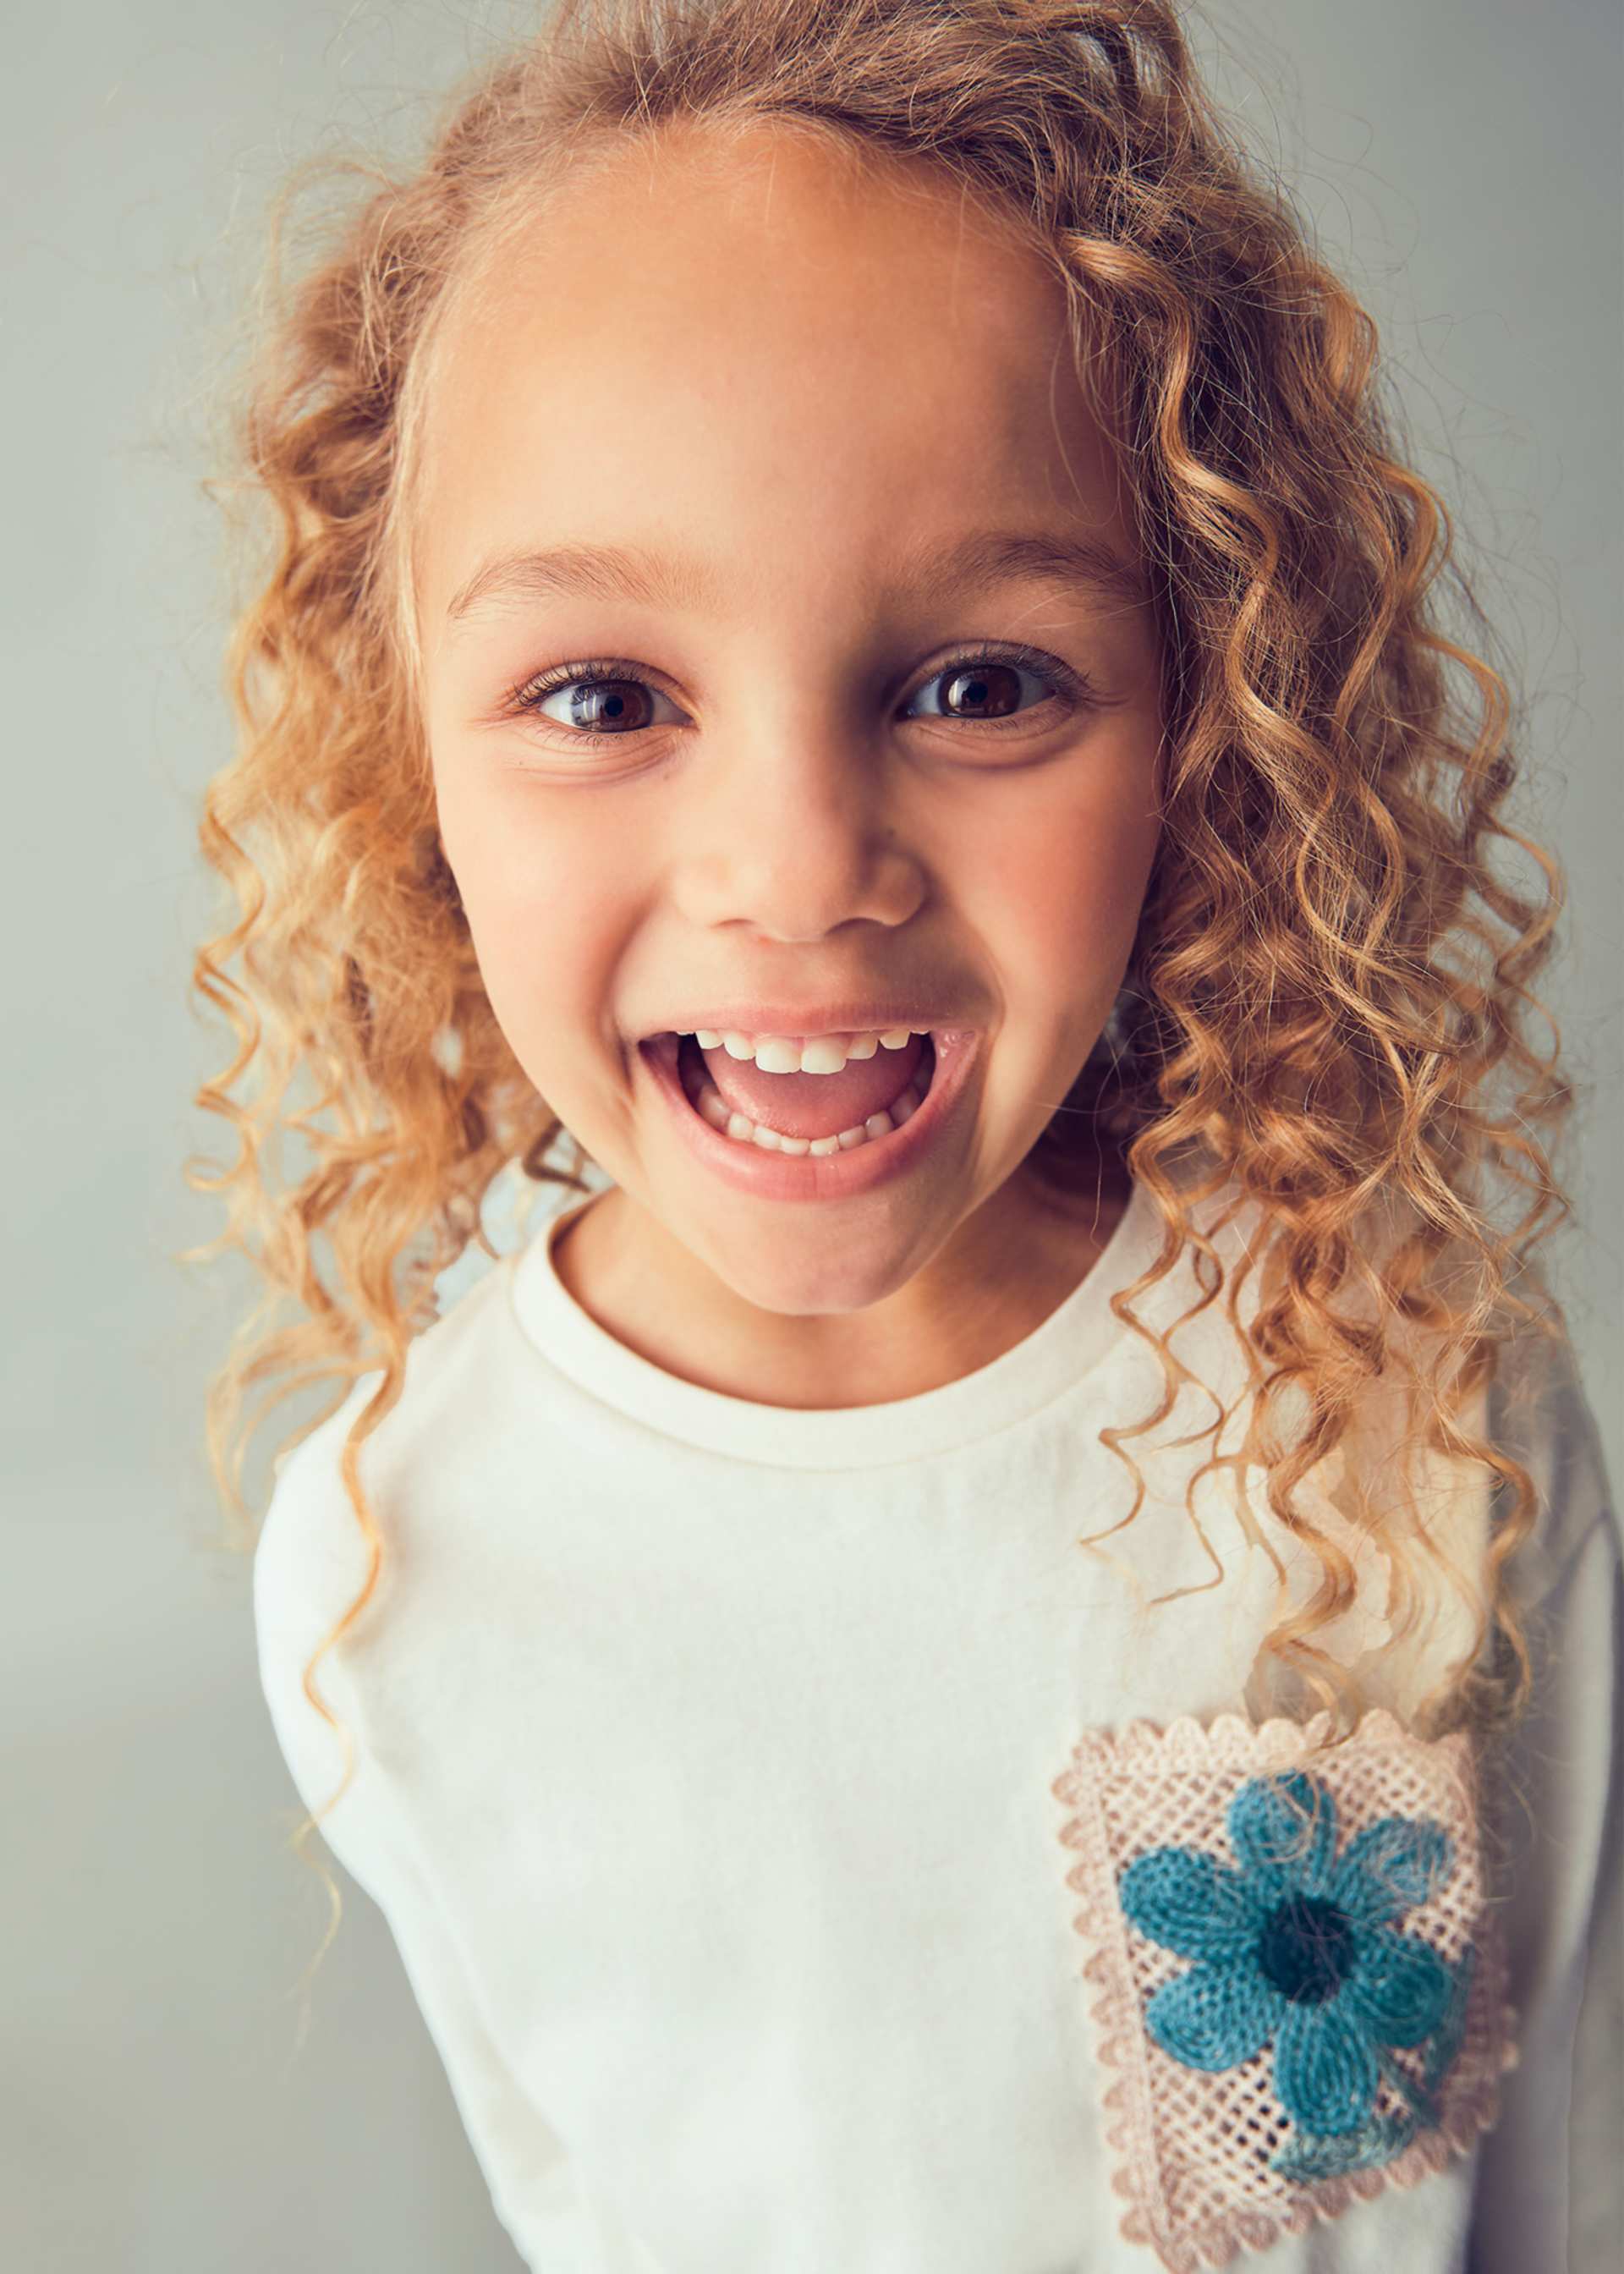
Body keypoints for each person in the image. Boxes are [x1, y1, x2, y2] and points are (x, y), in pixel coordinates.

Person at [192, 3, 1619, 2267]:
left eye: (976, 684)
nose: (797, 868)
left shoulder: (1410, 1414)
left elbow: (1553, 2179)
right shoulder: (393, 1574)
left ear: (1204, 719)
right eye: (603, 697)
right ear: (409, 757)